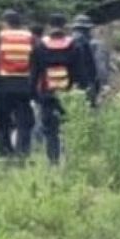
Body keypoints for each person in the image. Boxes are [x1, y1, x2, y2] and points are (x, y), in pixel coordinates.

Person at [29, 13, 88, 165]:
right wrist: (83, 91)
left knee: (50, 131)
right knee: (69, 129)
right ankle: (69, 160)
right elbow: (81, 73)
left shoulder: (40, 47)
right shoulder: (74, 46)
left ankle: (53, 162)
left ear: (49, 26)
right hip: (68, 95)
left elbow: (34, 73)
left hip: (47, 95)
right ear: (65, 26)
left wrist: (34, 95)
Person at [0, 9, 35, 158]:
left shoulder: (0, 38)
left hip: (3, 87)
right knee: (24, 122)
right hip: (24, 86)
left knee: (3, 121)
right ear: (19, 23)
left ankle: (5, 153)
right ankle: (23, 153)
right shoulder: (29, 38)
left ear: (5, 23)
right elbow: (36, 63)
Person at [71, 14, 107, 107]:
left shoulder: (66, 43)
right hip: (89, 82)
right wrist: (104, 84)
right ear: (89, 29)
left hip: (69, 84)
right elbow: (100, 66)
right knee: (90, 109)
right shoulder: (95, 44)